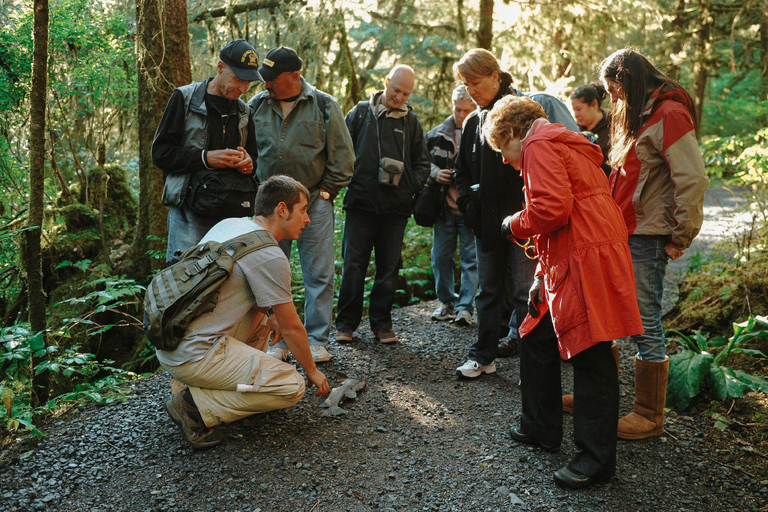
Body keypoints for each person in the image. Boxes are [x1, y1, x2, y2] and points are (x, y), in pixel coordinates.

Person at [484, 95, 644, 488]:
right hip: (581, 250)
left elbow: (551, 209)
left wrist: (512, 223)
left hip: (585, 255)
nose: (504, 160)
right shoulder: (560, 141)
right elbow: (564, 213)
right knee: (534, 334)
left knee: (591, 354)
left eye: (502, 148)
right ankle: (541, 427)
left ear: (513, 133)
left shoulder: (538, 144)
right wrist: (542, 268)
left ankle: (596, 459)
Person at [159, 175, 330, 449]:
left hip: (173, 342)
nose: (307, 220)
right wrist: (312, 371)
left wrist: (271, 315)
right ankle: (196, 405)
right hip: (195, 355)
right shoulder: (271, 255)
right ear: (282, 210)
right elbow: (292, 328)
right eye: (303, 210)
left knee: (264, 318)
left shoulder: (230, 225)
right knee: (291, 386)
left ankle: (195, 384)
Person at [599, 48, 709, 440]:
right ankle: (601, 398)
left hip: (648, 234)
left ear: (631, 81)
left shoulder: (669, 114)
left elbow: (692, 179)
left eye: (616, 90)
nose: (613, 100)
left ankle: (649, 415)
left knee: (645, 320)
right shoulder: (642, 113)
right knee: (610, 312)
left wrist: (682, 235)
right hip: (623, 231)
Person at [452, 48, 579, 378]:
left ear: (495, 76)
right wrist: (468, 204)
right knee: (488, 291)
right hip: (486, 223)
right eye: (465, 85)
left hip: (525, 221)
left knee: (528, 292)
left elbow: (545, 164)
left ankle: (533, 361)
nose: (471, 91)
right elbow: (461, 170)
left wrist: (531, 213)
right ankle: (483, 355)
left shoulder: (520, 113)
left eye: (475, 83)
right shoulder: (473, 122)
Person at [248, 47, 355, 363]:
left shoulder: (323, 105)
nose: (266, 85)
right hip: (268, 208)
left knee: (318, 273)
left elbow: (343, 158)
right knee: (269, 273)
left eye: (272, 79)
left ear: (294, 76)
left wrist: (325, 193)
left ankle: (316, 339)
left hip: (312, 203)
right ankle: (278, 341)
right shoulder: (256, 106)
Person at [335, 65, 431, 344]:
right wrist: (348, 184)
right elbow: (341, 150)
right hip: (360, 204)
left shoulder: (410, 122)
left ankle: (381, 324)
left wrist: (408, 189)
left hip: (396, 209)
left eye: (406, 94)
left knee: (389, 267)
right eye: (396, 90)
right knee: (353, 265)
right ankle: (346, 324)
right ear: (386, 83)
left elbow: (423, 163)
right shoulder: (360, 113)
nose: (400, 98)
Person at [153, 39, 261, 263]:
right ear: (221, 67)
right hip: (189, 211)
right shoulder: (185, 99)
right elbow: (161, 153)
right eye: (238, 79)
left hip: (230, 213)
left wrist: (248, 164)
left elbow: (253, 161)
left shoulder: (244, 112)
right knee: (183, 274)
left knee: (225, 279)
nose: (243, 88)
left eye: (249, 82)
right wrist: (205, 158)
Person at [425, 86, 478, 326]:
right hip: (444, 208)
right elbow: (420, 162)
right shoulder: (436, 134)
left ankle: (465, 307)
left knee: (471, 259)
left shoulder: (482, 132)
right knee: (440, 257)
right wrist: (436, 173)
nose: (461, 114)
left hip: (469, 210)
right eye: (458, 109)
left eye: (467, 110)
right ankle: (446, 301)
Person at [570, 82, 612, 177]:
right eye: (574, 110)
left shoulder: (613, 127)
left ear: (594, 104)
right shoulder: (575, 130)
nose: (576, 115)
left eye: (579, 109)